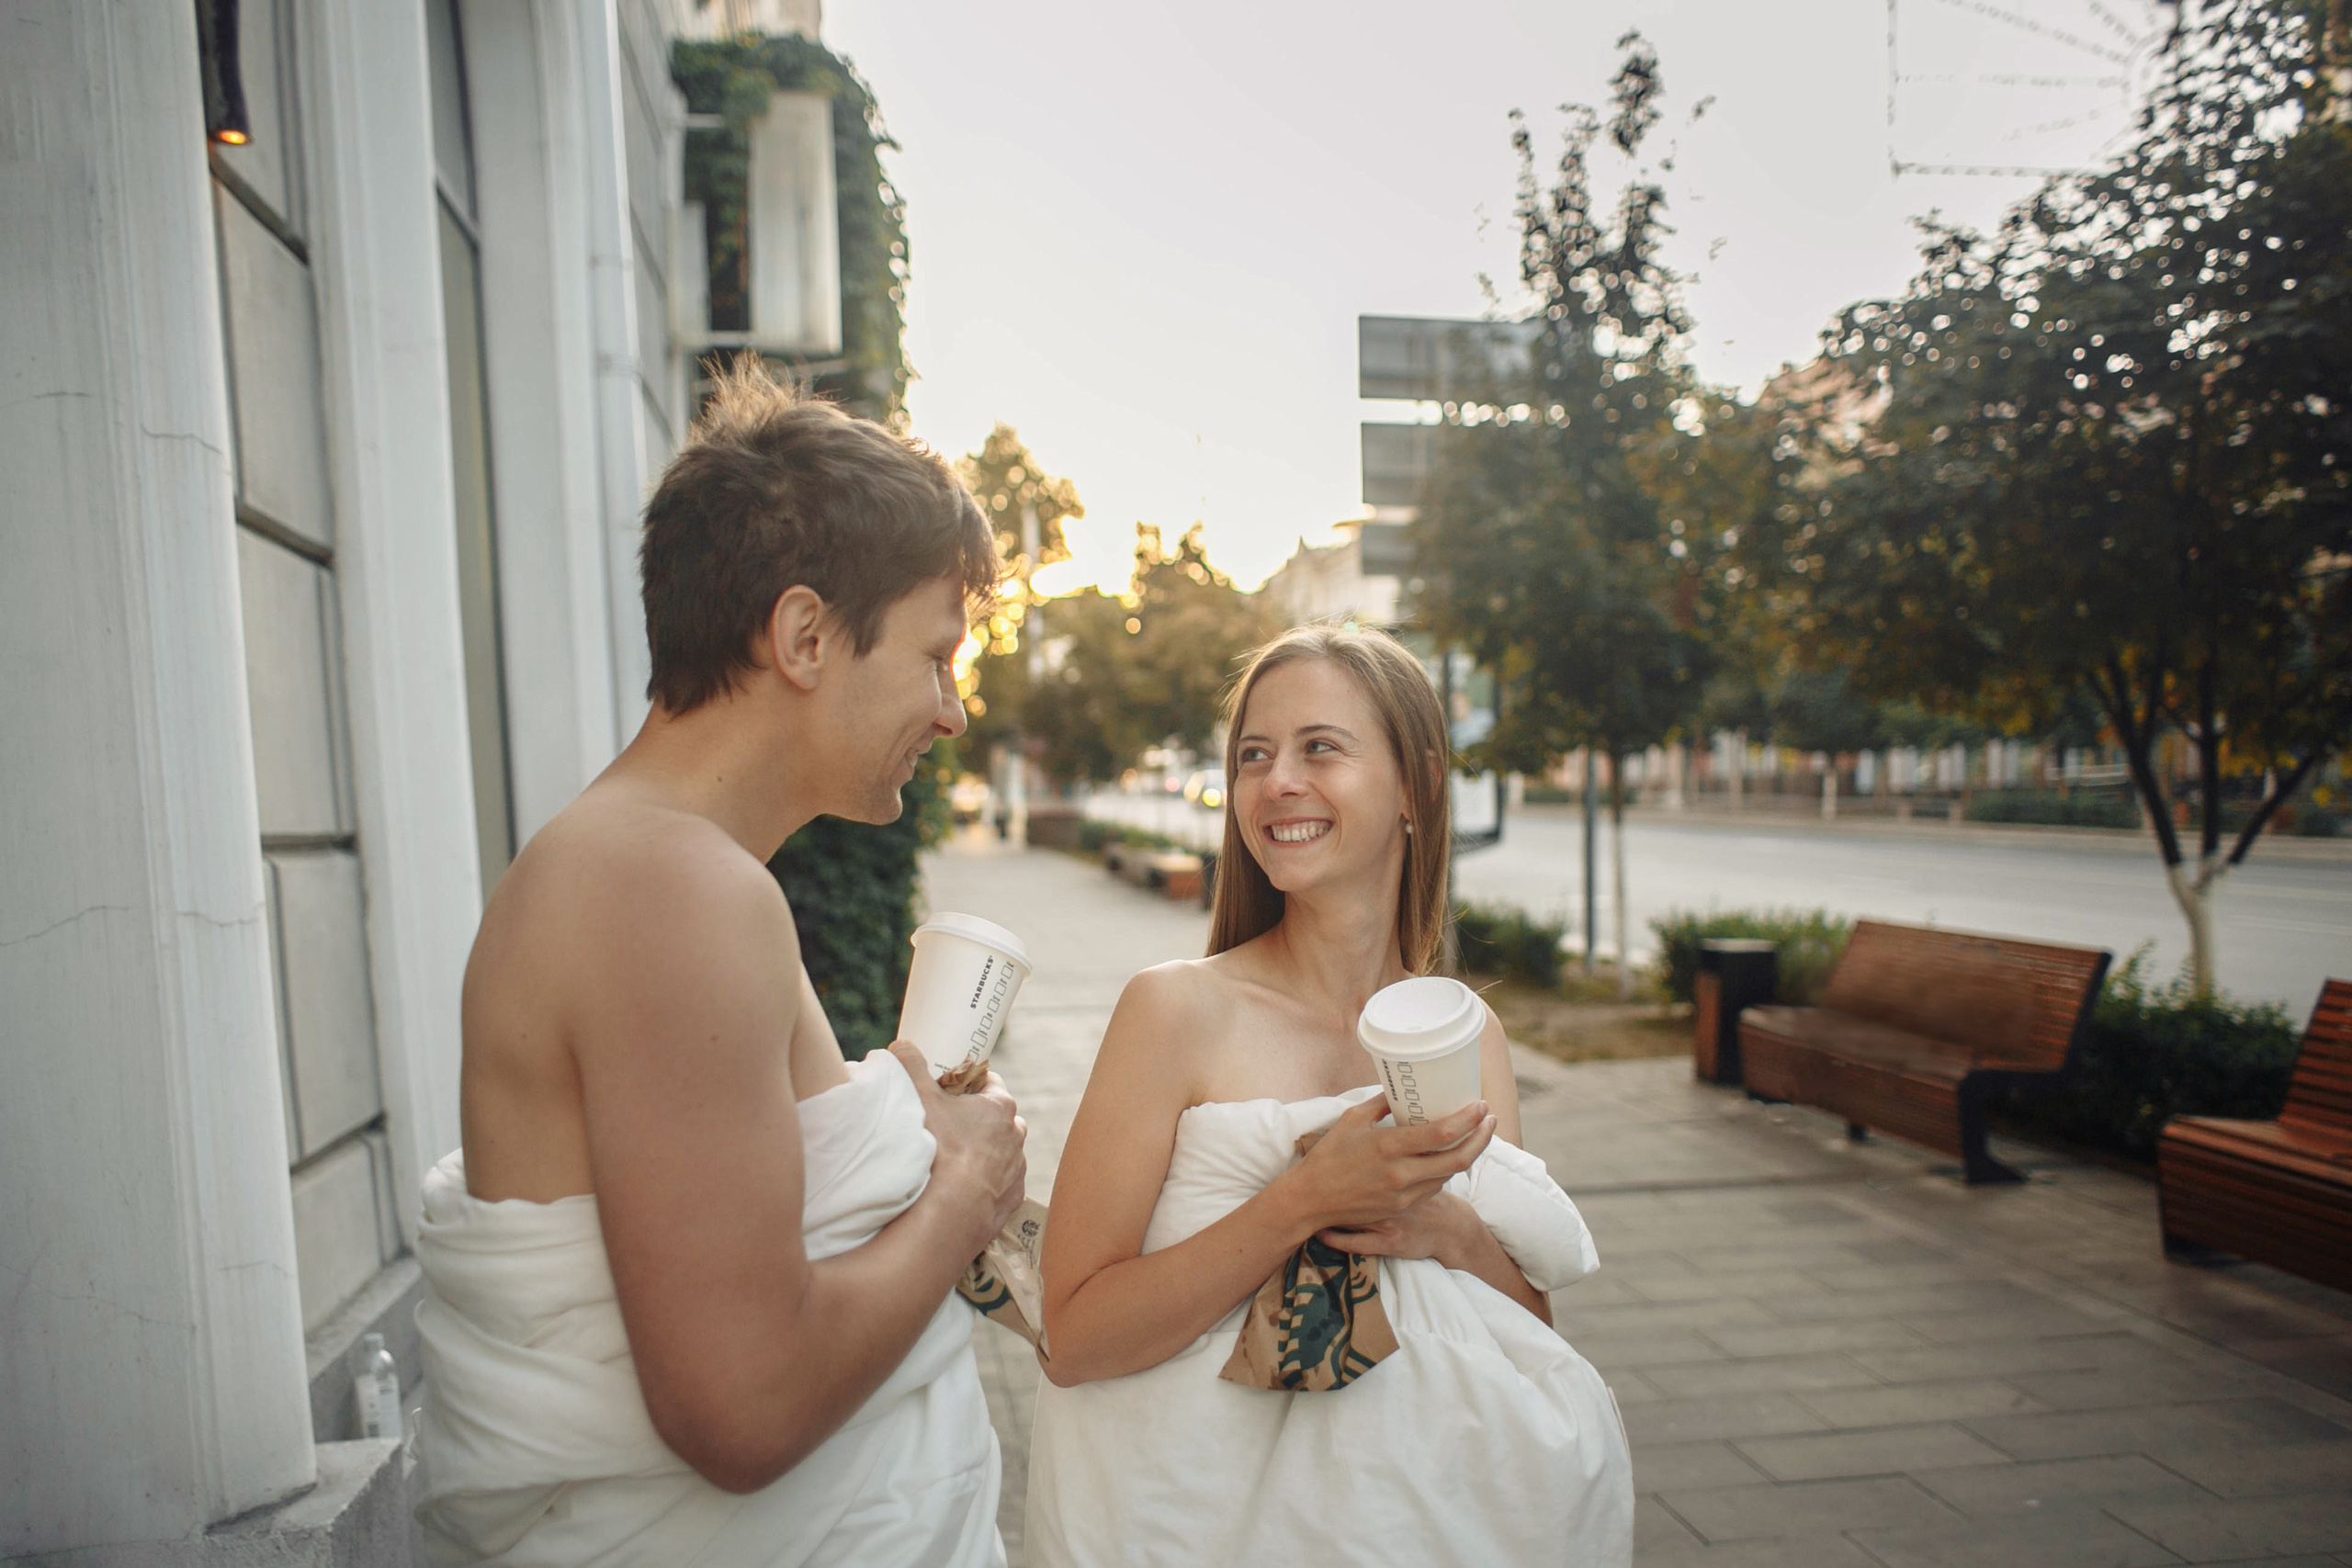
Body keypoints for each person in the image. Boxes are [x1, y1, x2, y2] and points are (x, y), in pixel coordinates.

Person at [411, 362, 1027, 1567]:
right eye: (936, 655)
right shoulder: (668, 889)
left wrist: (907, 1108)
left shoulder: (671, 868)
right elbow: (740, 1410)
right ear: (804, 635)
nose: (951, 710)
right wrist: (959, 1194)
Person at [1027, 625, 1634, 1567]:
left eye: (1321, 748)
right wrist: (1305, 1201)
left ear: (1418, 786)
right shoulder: (1175, 1011)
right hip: (1195, 1526)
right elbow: (1071, 1339)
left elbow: (1523, 1342)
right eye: (1253, 756)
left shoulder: (1468, 1037)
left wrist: (1451, 1233)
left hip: (1417, 1526)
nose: (1276, 784)